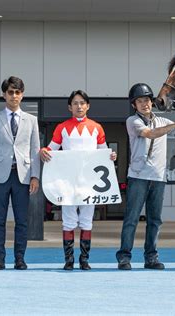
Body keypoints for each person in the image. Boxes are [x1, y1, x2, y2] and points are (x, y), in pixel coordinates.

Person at [116, 83, 175, 270]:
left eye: (147, 100)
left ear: (152, 102)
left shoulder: (162, 121)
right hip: (138, 177)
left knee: (155, 220)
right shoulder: (133, 121)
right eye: (139, 101)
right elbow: (149, 134)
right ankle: (124, 257)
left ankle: (151, 257)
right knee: (132, 218)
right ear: (134, 105)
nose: (144, 104)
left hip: (158, 178)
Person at [40, 90, 117, 270]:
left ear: (88, 106)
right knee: (68, 221)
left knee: (86, 221)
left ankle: (84, 259)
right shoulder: (62, 127)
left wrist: (111, 156)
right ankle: (69, 260)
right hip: (68, 183)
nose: (79, 106)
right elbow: (51, 149)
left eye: (82, 103)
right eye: (75, 103)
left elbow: (103, 151)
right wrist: (43, 150)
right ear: (70, 107)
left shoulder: (97, 127)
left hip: (90, 183)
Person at [0, 76, 40, 270]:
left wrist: (35, 176)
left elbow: (34, 149)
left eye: (17, 92)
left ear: (22, 95)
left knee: (21, 221)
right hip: (0, 176)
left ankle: (19, 259)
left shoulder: (32, 120)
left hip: (22, 176)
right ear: (4, 95)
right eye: (10, 92)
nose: (14, 95)